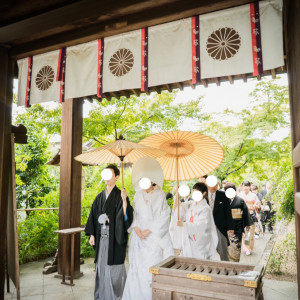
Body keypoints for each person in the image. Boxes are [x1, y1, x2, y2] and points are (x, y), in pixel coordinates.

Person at [123, 157, 173, 300]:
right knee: (136, 269)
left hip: (153, 236)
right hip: (139, 237)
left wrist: (149, 230)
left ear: (152, 180)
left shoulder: (160, 195)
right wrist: (136, 228)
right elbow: (133, 214)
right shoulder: (138, 195)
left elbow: (164, 215)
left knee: (151, 268)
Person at [85, 164, 133, 300]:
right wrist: (92, 234)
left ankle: (116, 296)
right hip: (101, 239)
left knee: (114, 269)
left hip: (114, 240)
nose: (107, 177)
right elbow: (93, 216)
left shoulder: (120, 196)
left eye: (110, 174)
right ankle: (101, 296)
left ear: (117, 177)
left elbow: (126, 219)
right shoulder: (99, 197)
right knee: (101, 267)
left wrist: (124, 202)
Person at [170, 182, 218, 260]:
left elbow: (202, 226)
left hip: (200, 242)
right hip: (189, 241)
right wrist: (177, 193)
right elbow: (177, 207)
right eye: (194, 191)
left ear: (204, 193)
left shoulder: (205, 208)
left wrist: (184, 224)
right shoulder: (191, 204)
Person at [207, 177, 234, 261]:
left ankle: (226, 269)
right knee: (206, 251)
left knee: (223, 251)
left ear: (217, 184)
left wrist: (231, 227)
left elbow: (228, 212)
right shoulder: (202, 196)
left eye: (215, 184)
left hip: (220, 227)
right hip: (205, 227)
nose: (213, 187)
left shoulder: (223, 195)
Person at [224, 183, 252, 262]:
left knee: (236, 247)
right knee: (226, 247)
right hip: (226, 228)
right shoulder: (223, 201)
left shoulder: (240, 200)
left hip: (238, 227)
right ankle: (227, 264)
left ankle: (235, 264)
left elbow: (245, 213)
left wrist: (247, 224)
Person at [238, 180, 260, 256]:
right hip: (242, 216)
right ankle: (244, 247)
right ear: (242, 186)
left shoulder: (253, 195)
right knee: (243, 233)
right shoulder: (239, 195)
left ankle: (249, 248)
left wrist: (255, 206)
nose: (245, 187)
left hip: (251, 215)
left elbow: (258, 204)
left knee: (250, 233)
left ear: (250, 186)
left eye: (247, 186)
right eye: (244, 186)